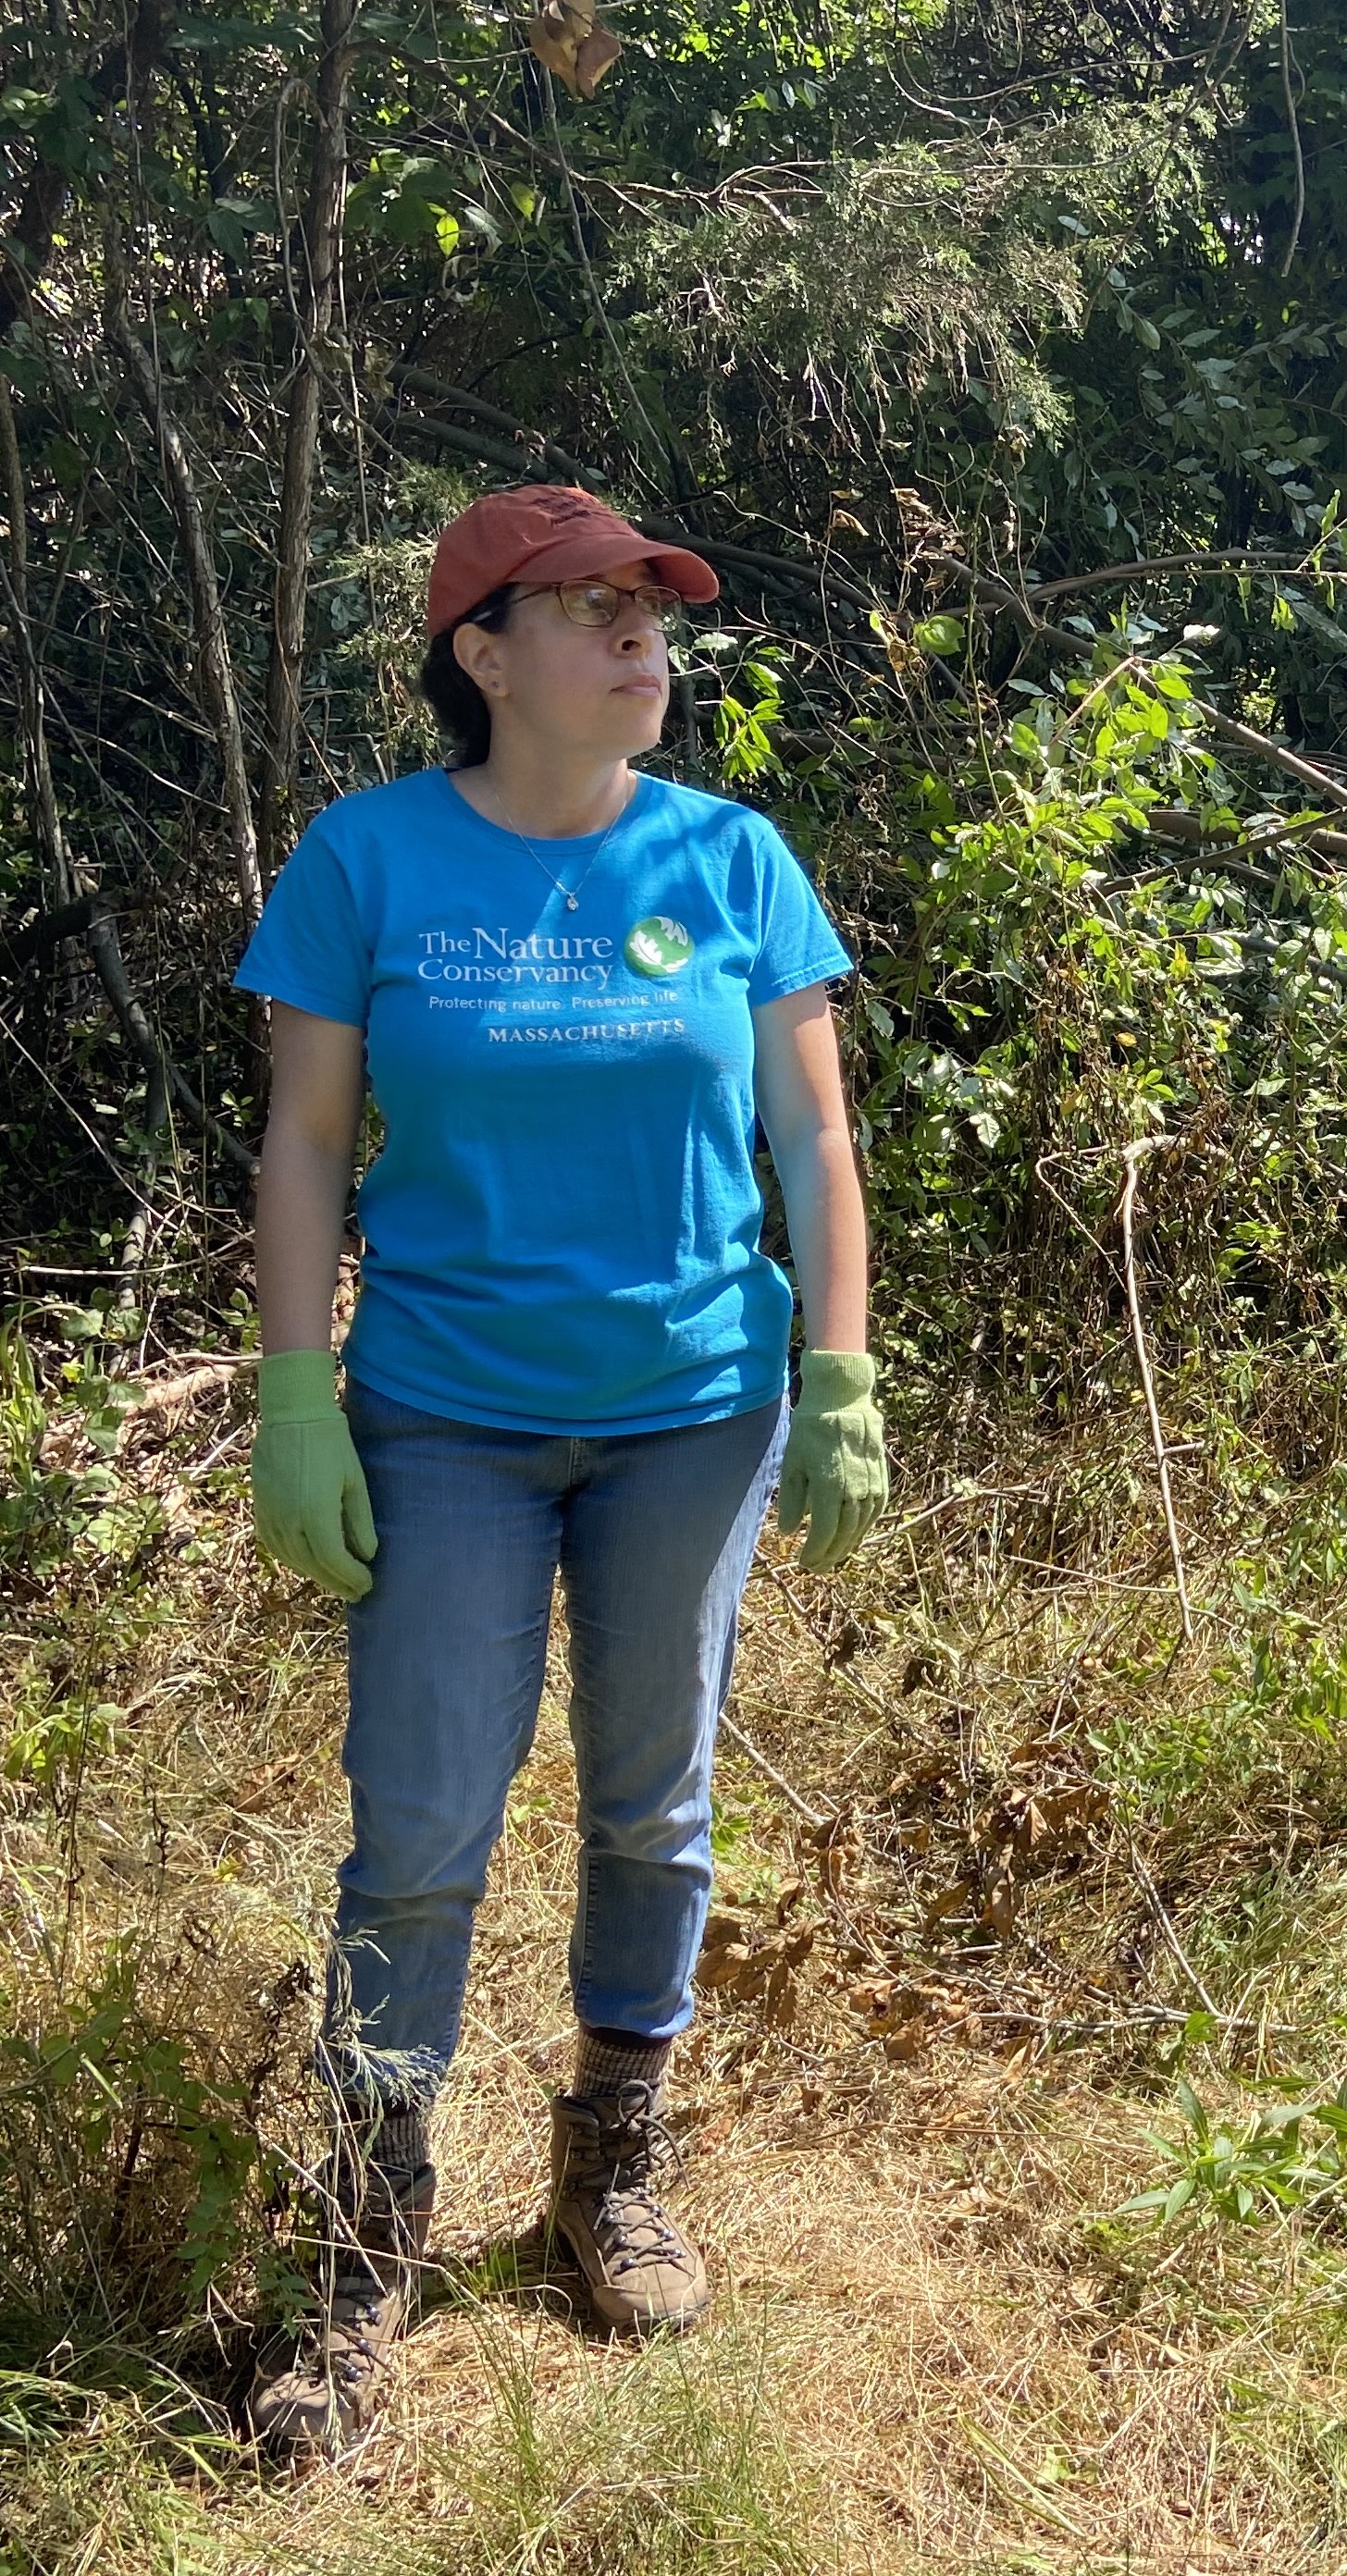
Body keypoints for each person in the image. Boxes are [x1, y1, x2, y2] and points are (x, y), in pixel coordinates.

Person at [236, 484, 891, 2463]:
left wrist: (839, 1369)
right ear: (483, 654)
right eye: (590, 610)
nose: (638, 640)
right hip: (444, 1413)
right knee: (420, 1821)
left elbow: (813, 1137)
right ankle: (367, 2227)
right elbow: (303, 1142)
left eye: (649, 611)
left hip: (694, 1407)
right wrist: (295, 1393)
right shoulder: (368, 859)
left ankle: (612, 2161)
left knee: (651, 1798)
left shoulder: (730, 857)